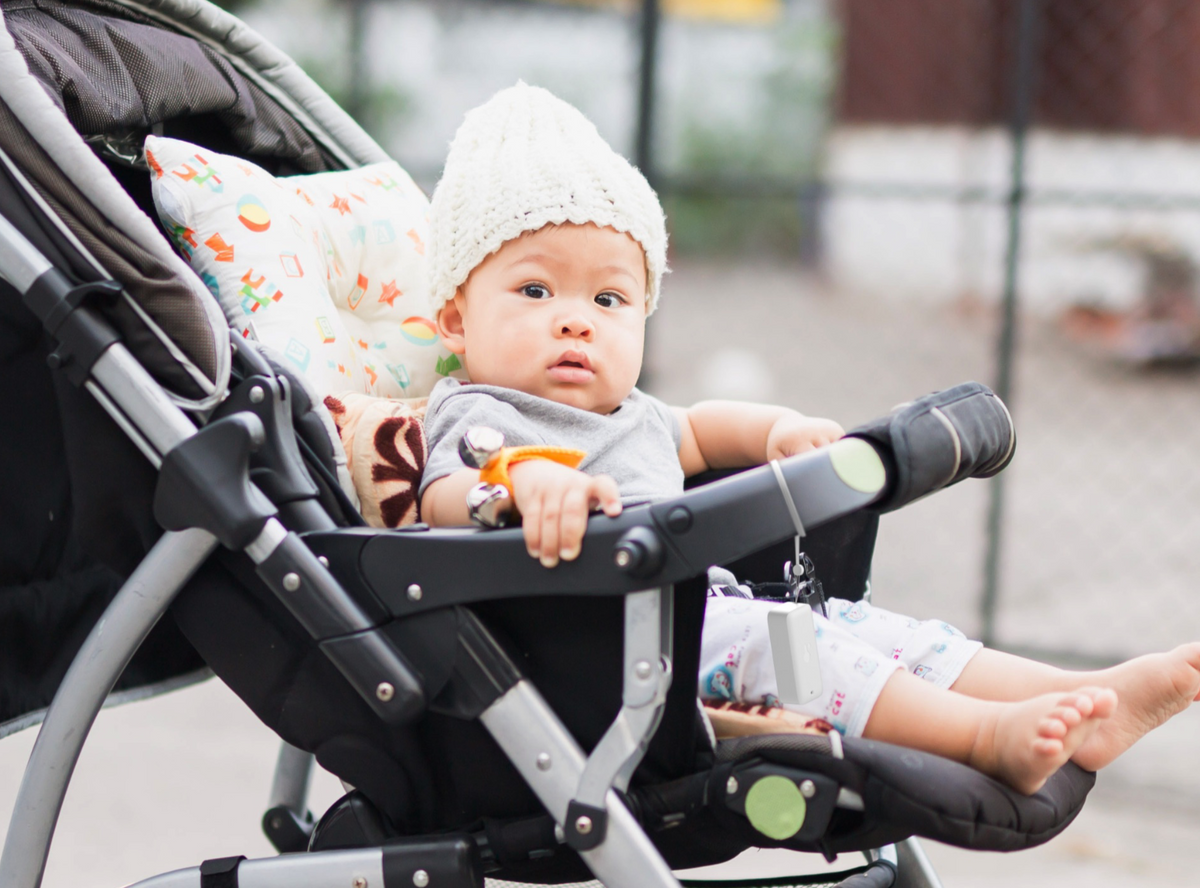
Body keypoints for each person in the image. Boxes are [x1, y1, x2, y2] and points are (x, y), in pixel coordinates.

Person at [417, 82, 1200, 796]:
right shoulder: (484, 415)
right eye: (534, 289)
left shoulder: (635, 416)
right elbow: (442, 500)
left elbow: (699, 427)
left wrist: (778, 431)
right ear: (455, 320)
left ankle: (1072, 698)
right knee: (804, 651)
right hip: (594, 662)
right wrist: (518, 488)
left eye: (611, 297)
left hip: (704, 623)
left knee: (869, 631)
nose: (576, 317)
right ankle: (982, 735)